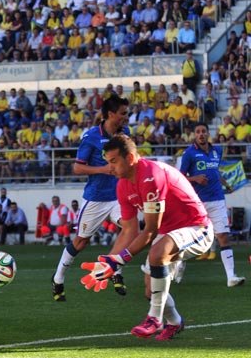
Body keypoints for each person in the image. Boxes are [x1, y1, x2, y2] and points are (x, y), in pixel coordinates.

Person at [81, 134, 213, 340]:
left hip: (197, 227)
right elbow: (128, 230)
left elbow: (151, 230)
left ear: (131, 158)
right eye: (108, 162)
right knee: (151, 291)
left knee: (157, 253)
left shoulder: (151, 175)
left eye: (114, 161)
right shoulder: (123, 185)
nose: (110, 168)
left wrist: (121, 260)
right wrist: (109, 260)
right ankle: (175, 322)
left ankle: (154, 318)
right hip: (168, 232)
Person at [51, 93, 130, 302]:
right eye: (123, 114)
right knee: (80, 242)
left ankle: (116, 270)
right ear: (111, 114)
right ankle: (58, 279)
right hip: (95, 199)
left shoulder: (125, 134)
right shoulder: (91, 137)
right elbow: (76, 167)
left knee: (130, 229)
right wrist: (103, 169)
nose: (126, 117)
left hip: (118, 196)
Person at [178, 123, 245, 287]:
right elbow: (179, 177)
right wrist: (195, 179)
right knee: (189, 240)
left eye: (203, 131)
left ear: (208, 133)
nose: (201, 134)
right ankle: (178, 268)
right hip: (197, 203)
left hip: (217, 200)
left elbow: (215, 170)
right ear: (194, 135)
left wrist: (226, 184)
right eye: (198, 132)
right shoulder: (189, 153)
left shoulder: (217, 151)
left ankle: (231, 277)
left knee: (223, 236)